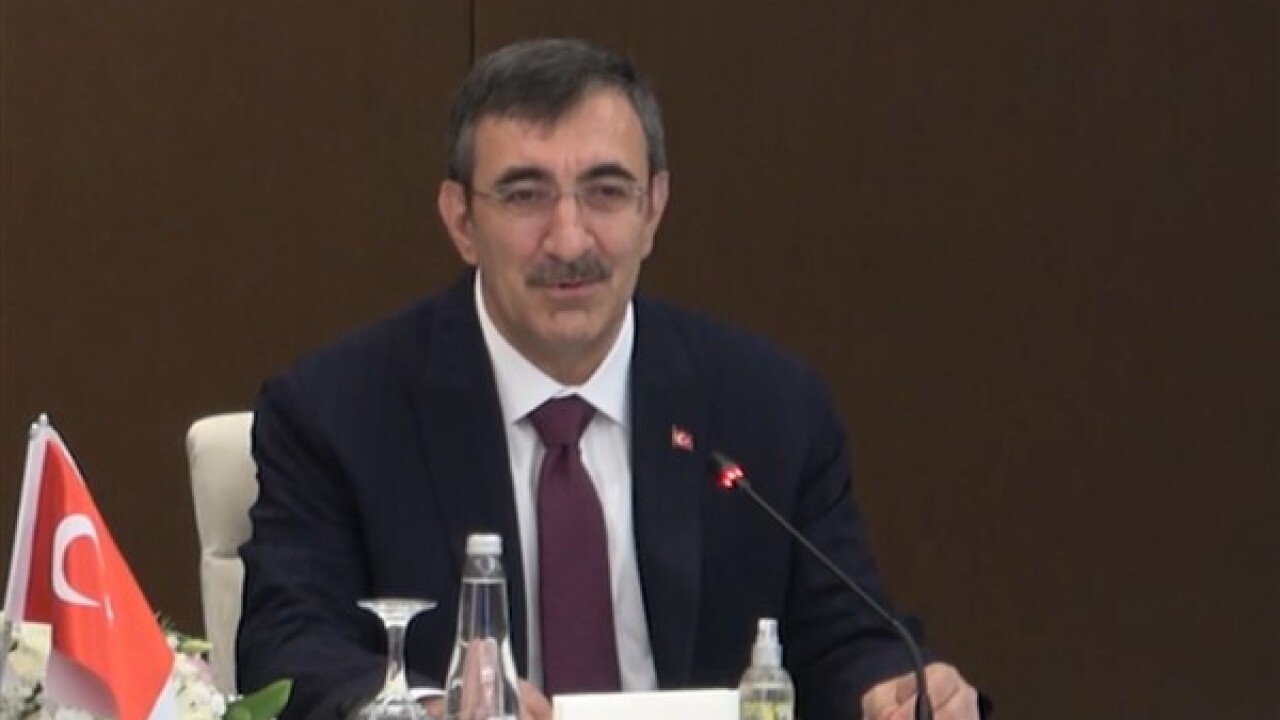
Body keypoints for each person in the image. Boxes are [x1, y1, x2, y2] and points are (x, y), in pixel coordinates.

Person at [237, 37, 987, 720]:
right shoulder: (336, 413)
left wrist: (892, 688)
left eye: (605, 191)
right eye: (525, 195)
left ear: (653, 208)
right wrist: (422, 710)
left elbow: (843, 637)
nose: (570, 241)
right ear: (461, 220)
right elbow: (287, 648)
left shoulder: (772, 408)